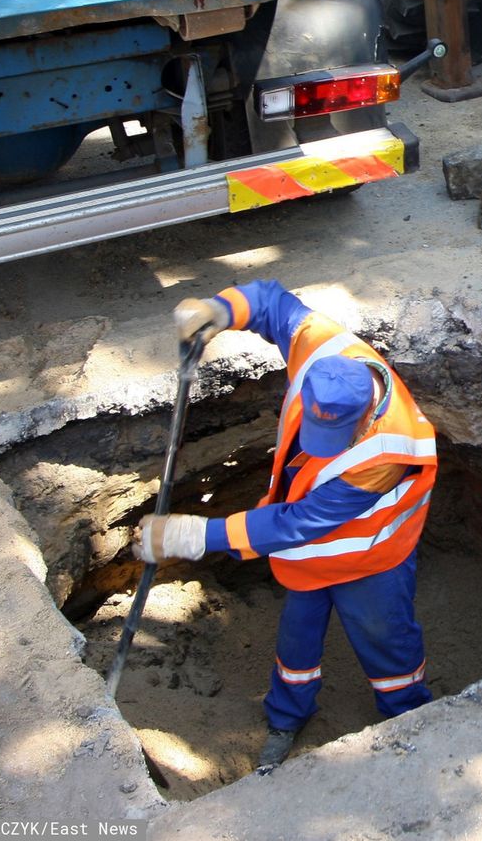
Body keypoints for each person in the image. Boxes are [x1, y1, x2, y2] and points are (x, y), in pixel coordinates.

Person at [132, 280, 438, 773]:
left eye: (333, 437)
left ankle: (410, 720)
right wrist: (217, 310)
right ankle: (286, 718)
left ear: (364, 421)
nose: (320, 445)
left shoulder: (384, 454)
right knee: (296, 643)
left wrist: (196, 536)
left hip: (370, 559)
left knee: (388, 644)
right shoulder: (327, 353)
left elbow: (300, 522)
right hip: (308, 559)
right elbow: (273, 303)